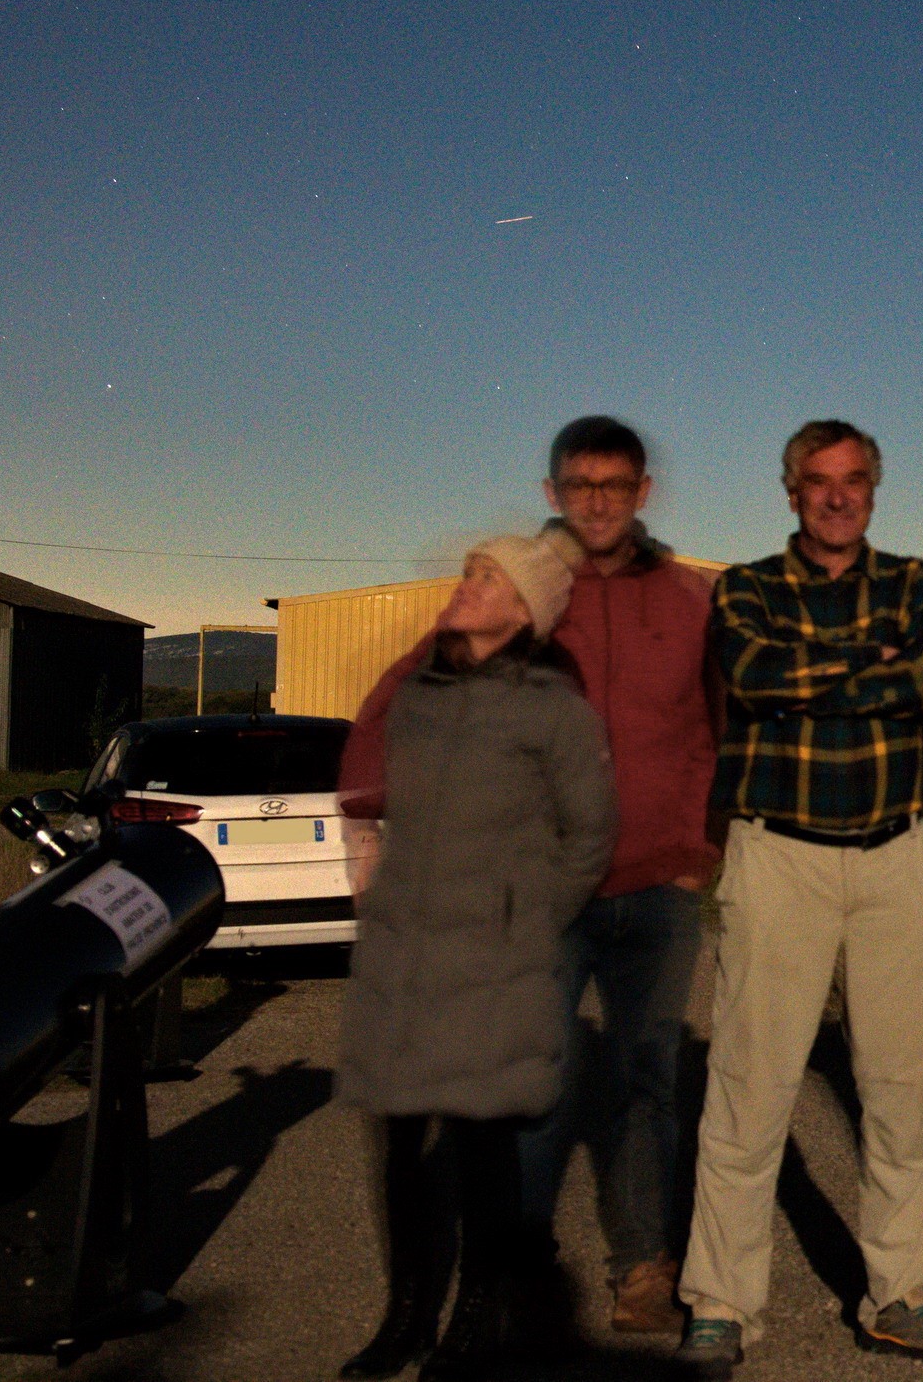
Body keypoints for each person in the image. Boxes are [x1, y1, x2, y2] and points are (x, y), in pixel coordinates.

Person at [341, 416, 719, 1338]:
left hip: (659, 887)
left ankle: (642, 1267)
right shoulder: (522, 586)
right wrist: (372, 814)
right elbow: (406, 693)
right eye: (579, 484)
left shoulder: (687, 600)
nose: (597, 501)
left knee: (644, 1079)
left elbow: (719, 724)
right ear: (552, 491)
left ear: (642, 492)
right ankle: (516, 1266)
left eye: (615, 484)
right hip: (543, 891)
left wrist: (696, 850)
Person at [675, 421, 923, 1373]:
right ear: (791, 491)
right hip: (780, 857)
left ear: (874, 490)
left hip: (895, 858)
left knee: (897, 1095)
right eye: (819, 481)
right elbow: (753, 673)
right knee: (749, 1088)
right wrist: (874, 670)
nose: (838, 496)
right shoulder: (746, 588)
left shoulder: (915, 582)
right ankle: (721, 1303)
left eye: (854, 480)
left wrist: (817, 676)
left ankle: (901, 1295)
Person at [336, 537, 619, 1382]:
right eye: (468, 571)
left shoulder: (553, 705)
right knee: (400, 1142)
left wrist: (528, 918)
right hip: (407, 945)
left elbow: (590, 832)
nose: (468, 584)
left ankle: (474, 1319)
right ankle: (404, 1315)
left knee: (480, 1142)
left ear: (525, 610)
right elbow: (373, 773)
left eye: (488, 577)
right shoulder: (422, 687)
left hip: (491, 951)